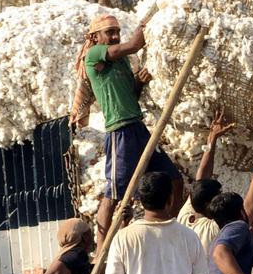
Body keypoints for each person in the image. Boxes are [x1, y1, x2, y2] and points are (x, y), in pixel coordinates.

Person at [70, 13, 183, 249]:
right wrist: (142, 28)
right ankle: (102, 249)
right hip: (120, 131)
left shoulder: (120, 61)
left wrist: (139, 83)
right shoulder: (93, 55)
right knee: (113, 192)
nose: (114, 36)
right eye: (109, 32)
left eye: (117, 32)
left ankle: (168, 228)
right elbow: (133, 45)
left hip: (138, 127)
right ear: (95, 37)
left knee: (173, 178)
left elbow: (128, 94)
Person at [177, 109, 238, 257]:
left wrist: (213, 138)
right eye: (218, 196)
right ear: (207, 204)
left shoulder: (187, 216)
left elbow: (201, 179)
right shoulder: (212, 229)